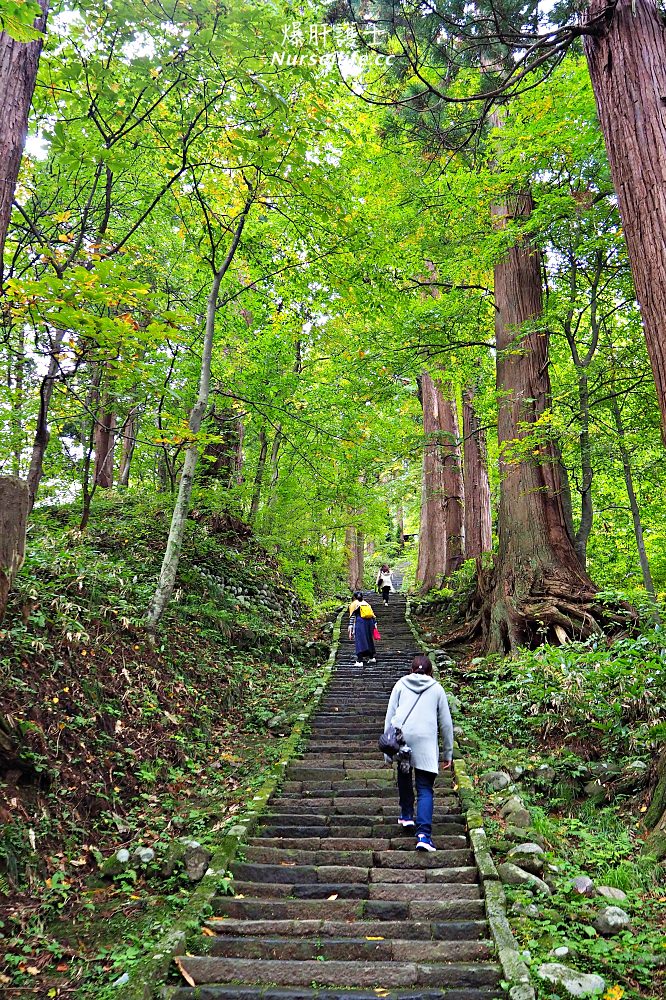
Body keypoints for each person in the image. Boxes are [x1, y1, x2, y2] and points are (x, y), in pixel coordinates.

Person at [383, 654, 453, 852]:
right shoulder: (437, 688)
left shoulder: (400, 684)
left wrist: (388, 752)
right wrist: (448, 753)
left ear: (411, 670)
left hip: (402, 738)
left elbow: (390, 716)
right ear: (430, 672)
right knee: (424, 788)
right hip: (425, 741)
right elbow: (446, 724)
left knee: (404, 773)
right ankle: (423, 835)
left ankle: (406, 815)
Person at [348, 590, 377, 668]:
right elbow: (373, 615)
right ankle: (371, 657)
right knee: (368, 639)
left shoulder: (354, 604)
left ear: (354, 597)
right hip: (370, 622)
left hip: (360, 622)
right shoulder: (366, 603)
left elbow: (352, 616)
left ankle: (360, 660)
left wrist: (350, 627)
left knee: (360, 640)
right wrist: (374, 624)